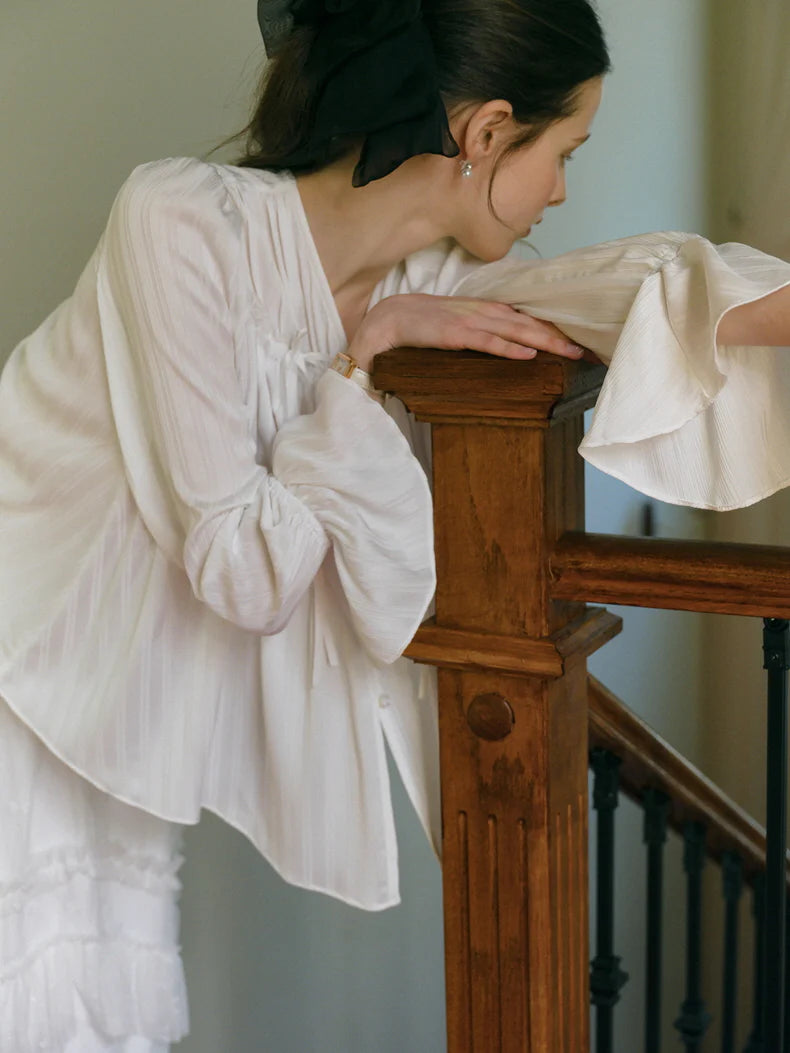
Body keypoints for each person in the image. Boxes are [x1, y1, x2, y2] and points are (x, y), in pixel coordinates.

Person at [1, 1, 789, 1050]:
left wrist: (373, 344)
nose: (561, 190)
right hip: (22, 659)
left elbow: (638, 289)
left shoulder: (430, 284)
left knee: (97, 1009)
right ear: (487, 132)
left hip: (112, 706)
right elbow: (245, 573)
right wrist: (356, 363)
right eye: (563, 152)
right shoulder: (183, 220)